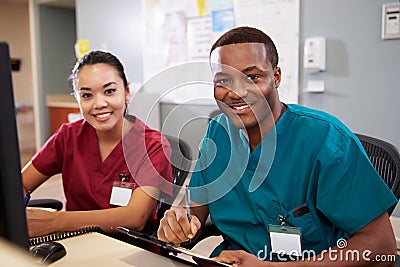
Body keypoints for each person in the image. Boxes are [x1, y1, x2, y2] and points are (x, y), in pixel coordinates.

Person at [157, 26, 397, 266]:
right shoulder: (218, 132)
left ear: (277, 77)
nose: (237, 92)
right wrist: (180, 218)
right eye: (224, 80)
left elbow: (381, 246)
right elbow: (196, 206)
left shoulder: (327, 140)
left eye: (253, 77)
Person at [23, 50, 172, 237]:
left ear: (126, 91)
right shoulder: (68, 137)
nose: (99, 103)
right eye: (87, 95)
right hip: (75, 241)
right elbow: (20, 184)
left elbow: (136, 217)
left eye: (109, 91)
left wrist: (56, 221)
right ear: (77, 98)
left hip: (128, 249)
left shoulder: (153, 146)